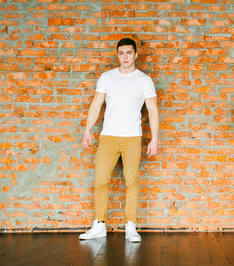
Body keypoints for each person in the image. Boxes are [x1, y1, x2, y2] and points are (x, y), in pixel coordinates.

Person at [79, 38, 159, 242]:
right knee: (100, 180)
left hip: (132, 137)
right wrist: (87, 130)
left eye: (129, 53)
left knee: (131, 182)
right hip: (108, 137)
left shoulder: (144, 80)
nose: (125, 57)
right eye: (121, 53)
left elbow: (152, 110)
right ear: (117, 55)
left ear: (135, 55)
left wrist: (155, 138)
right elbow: (96, 104)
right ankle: (99, 225)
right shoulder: (107, 78)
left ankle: (131, 226)